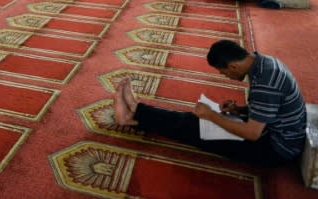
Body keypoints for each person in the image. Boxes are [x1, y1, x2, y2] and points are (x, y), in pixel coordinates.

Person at [113, 40, 306, 166]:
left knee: (193, 125)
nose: (227, 77)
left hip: (275, 148)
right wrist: (239, 110)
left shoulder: (266, 80)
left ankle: (134, 113)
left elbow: (252, 133)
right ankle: (134, 115)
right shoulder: (263, 64)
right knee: (195, 121)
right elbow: (272, 107)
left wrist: (211, 115)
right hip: (276, 132)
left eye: (224, 73)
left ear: (233, 65)